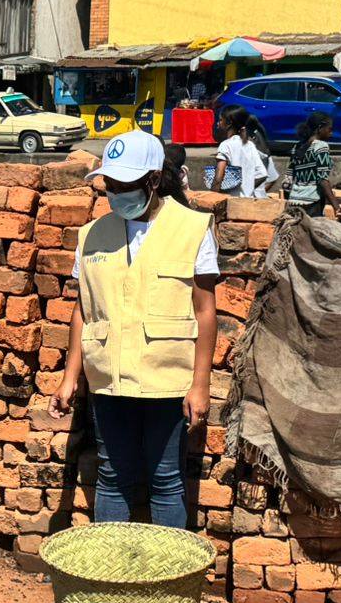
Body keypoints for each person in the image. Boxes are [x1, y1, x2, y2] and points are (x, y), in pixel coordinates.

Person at [48, 131, 219, 527]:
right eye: (111, 185)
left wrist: (200, 385)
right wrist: (70, 376)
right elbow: (82, 310)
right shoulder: (92, 234)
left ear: (154, 180)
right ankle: (113, 574)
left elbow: (205, 312)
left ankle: (165, 578)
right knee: (111, 475)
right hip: (109, 378)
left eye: (126, 186)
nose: (116, 193)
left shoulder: (192, 228)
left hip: (168, 380)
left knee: (165, 479)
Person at [211, 105, 273, 198]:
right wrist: (248, 188)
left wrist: (212, 197)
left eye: (220, 120)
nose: (218, 123)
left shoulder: (225, 145)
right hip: (248, 200)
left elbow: (218, 179)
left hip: (231, 201)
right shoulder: (250, 145)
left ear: (228, 123)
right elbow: (263, 174)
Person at [285, 111, 335, 214]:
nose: (331, 133)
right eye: (330, 129)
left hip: (294, 201)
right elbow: (322, 180)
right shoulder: (321, 146)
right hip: (312, 202)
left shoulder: (297, 147)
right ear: (320, 128)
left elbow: (287, 180)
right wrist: (336, 206)